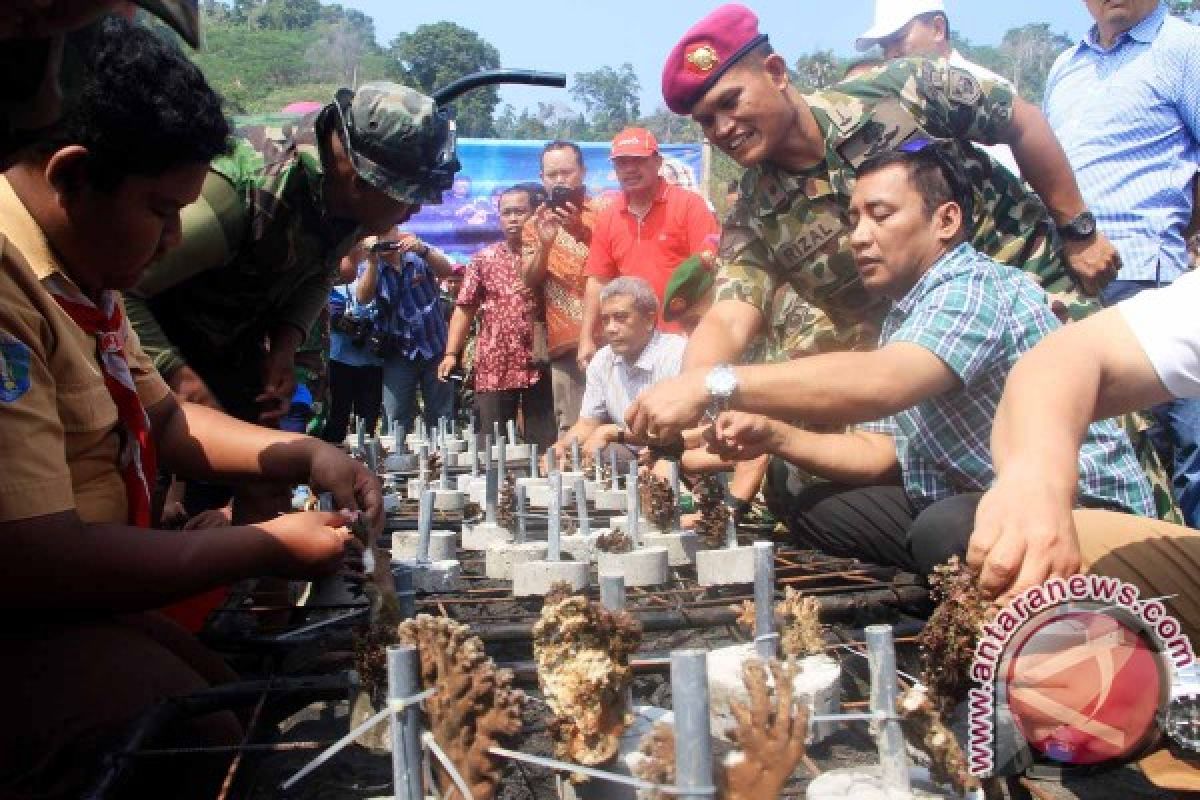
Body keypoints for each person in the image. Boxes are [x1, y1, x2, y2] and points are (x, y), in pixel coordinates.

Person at [0, 20, 378, 798]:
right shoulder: (11, 292)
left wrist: (306, 456)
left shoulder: (86, 280)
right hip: (29, 609)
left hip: (66, 599)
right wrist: (268, 543)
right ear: (71, 177)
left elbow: (167, 421)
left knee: (215, 688)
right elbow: (35, 559)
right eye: (162, 210)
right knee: (182, 735)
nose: (175, 238)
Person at [631, 2, 1122, 440]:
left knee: (1099, 439)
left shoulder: (900, 90)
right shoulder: (756, 212)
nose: (723, 129)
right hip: (930, 361)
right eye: (706, 122)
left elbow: (1021, 122)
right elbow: (730, 314)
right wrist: (690, 387)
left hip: (1034, 293)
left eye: (730, 103)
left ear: (777, 72)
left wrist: (1077, 228)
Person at [694, 143, 1152, 577]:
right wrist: (775, 435)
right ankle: (944, 587)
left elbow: (883, 382)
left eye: (880, 216)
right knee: (804, 497)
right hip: (971, 498)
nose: (859, 237)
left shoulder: (972, 287)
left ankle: (980, 603)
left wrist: (713, 382)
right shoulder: (905, 312)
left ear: (946, 221)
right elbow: (880, 453)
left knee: (943, 528)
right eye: (854, 220)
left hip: (1075, 506)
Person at [123, 78, 444, 517]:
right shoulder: (240, 195)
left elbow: (319, 271)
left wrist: (286, 347)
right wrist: (175, 375)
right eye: (407, 198)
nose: (412, 213)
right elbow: (121, 289)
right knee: (145, 498)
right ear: (359, 178)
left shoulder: (348, 206)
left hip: (227, 347)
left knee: (250, 488)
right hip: (146, 351)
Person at [1042, 0, 1200, 527]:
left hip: (1148, 272)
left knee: (1187, 441)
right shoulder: (1067, 66)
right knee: (1115, 448)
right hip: (1070, 279)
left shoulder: (1182, 48)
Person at [577, 127, 719, 362]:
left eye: (638, 161)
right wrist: (586, 338)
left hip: (684, 340)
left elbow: (709, 271)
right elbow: (598, 280)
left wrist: (700, 333)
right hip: (632, 345)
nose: (630, 169)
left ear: (657, 162)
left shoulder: (689, 206)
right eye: (622, 163)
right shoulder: (609, 216)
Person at [440, 184, 556, 448]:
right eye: (507, 213)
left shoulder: (552, 254)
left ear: (534, 213)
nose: (513, 218)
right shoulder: (484, 259)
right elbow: (464, 307)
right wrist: (450, 354)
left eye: (520, 211)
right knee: (490, 446)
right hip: (496, 363)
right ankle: (493, 489)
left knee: (545, 443)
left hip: (541, 361)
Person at [855, 0, 1020, 175]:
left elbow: (1005, 174)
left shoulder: (989, 88)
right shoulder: (890, 103)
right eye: (884, 46)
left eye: (898, 39)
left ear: (938, 29)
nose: (891, 54)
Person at [520, 140, 605, 434]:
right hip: (565, 343)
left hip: (612, 335)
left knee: (620, 420)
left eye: (566, 172)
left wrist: (580, 230)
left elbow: (618, 263)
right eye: (552, 174)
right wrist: (544, 246)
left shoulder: (605, 213)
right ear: (542, 177)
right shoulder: (534, 223)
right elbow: (528, 279)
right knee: (572, 426)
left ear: (583, 171)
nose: (559, 180)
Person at [556, 277, 687, 465]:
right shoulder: (602, 361)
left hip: (678, 452)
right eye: (605, 320)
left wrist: (612, 432)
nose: (610, 329)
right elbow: (587, 423)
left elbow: (680, 433)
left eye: (621, 317)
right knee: (585, 457)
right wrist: (559, 448)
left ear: (650, 319)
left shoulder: (676, 354)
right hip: (630, 451)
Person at [355, 227, 455, 434]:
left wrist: (423, 250)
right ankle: (397, 460)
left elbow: (447, 271)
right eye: (378, 235)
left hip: (434, 346)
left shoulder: (417, 256)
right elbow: (363, 298)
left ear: (396, 231)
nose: (383, 239)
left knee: (441, 412)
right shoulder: (370, 266)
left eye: (386, 233)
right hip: (399, 353)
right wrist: (373, 262)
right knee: (396, 414)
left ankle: (442, 459)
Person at [323, 238, 383, 444]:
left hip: (373, 360)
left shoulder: (381, 273)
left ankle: (367, 460)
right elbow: (330, 312)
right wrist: (344, 321)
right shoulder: (336, 276)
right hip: (341, 358)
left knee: (368, 418)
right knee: (337, 415)